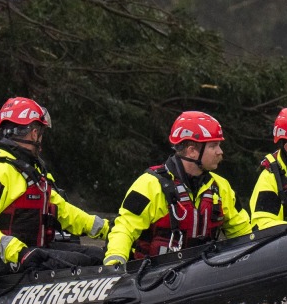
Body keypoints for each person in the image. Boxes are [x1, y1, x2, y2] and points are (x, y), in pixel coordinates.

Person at [0, 97, 110, 278]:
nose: (41, 139)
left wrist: (107, 229)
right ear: (33, 133)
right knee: (89, 263)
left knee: (99, 256)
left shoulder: (32, 172)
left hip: (31, 253)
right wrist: (19, 253)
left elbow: (63, 212)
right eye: (40, 132)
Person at [103, 111, 252, 267]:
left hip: (204, 272)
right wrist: (115, 261)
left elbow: (243, 231)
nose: (220, 152)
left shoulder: (221, 187)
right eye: (213, 146)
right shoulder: (150, 184)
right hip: (153, 276)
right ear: (192, 150)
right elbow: (124, 227)